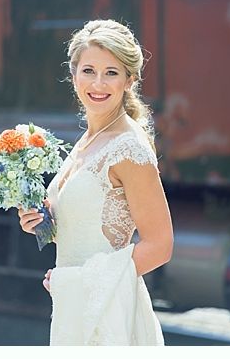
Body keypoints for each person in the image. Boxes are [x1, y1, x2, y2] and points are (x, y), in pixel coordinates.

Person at [18, 19, 173, 345]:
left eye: (111, 73)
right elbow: (85, 230)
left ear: (130, 79)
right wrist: (41, 223)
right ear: (73, 74)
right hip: (73, 313)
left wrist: (75, 284)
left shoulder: (129, 148)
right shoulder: (88, 140)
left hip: (107, 319)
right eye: (88, 70)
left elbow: (160, 246)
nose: (98, 83)